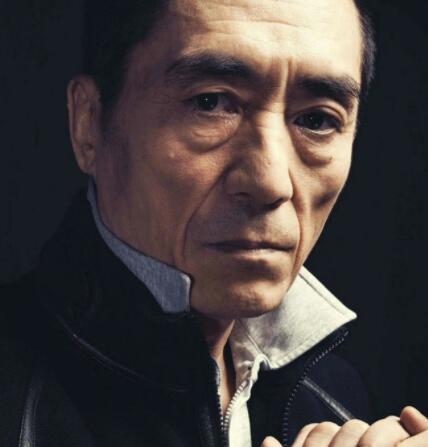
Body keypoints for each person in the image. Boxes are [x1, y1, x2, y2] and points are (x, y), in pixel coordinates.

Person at [1, 0, 428, 446]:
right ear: (88, 123)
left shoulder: (336, 399)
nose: (270, 182)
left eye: (317, 120)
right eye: (210, 103)